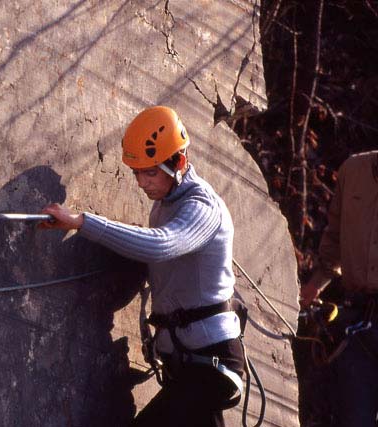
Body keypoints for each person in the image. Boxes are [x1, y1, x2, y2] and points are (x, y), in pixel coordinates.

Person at [40, 106, 246, 427]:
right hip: (189, 364)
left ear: (177, 162)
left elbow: (161, 244)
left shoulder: (202, 207)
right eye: (137, 173)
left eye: (150, 172)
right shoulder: (165, 206)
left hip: (210, 363)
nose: (141, 183)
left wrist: (82, 223)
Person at [300, 150, 378, 427]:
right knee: (353, 417)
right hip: (359, 320)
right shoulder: (353, 170)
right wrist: (315, 285)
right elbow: (333, 238)